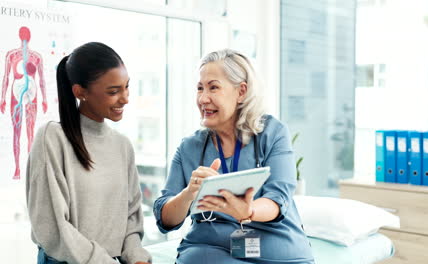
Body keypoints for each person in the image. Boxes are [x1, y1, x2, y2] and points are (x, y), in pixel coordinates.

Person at [153, 49, 315, 263]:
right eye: (199, 88)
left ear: (241, 92)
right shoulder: (189, 148)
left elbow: (278, 199)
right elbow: (166, 220)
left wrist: (248, 210)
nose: (203, 98)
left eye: (213, 87)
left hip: (274, 246)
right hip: (211, 249)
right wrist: (189, 193)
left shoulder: (272, 133)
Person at [26, 42, 151, 264]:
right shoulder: (53, 138)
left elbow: (132, 217)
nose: (125, 98)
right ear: (80, 92)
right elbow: (51, 227)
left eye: (126, 87)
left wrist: (136, 256)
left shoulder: (122, 146)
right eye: (113, 91)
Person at [1, 26, 47, 179]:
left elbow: (41, 80)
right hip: (17, 95)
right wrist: (2, 99)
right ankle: (17, 168)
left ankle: (27, 167)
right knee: (18, 131)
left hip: (30, 96)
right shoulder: (11, 55)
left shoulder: (37, 57)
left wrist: (45, 99)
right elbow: (6, 78)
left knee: (29, 132)